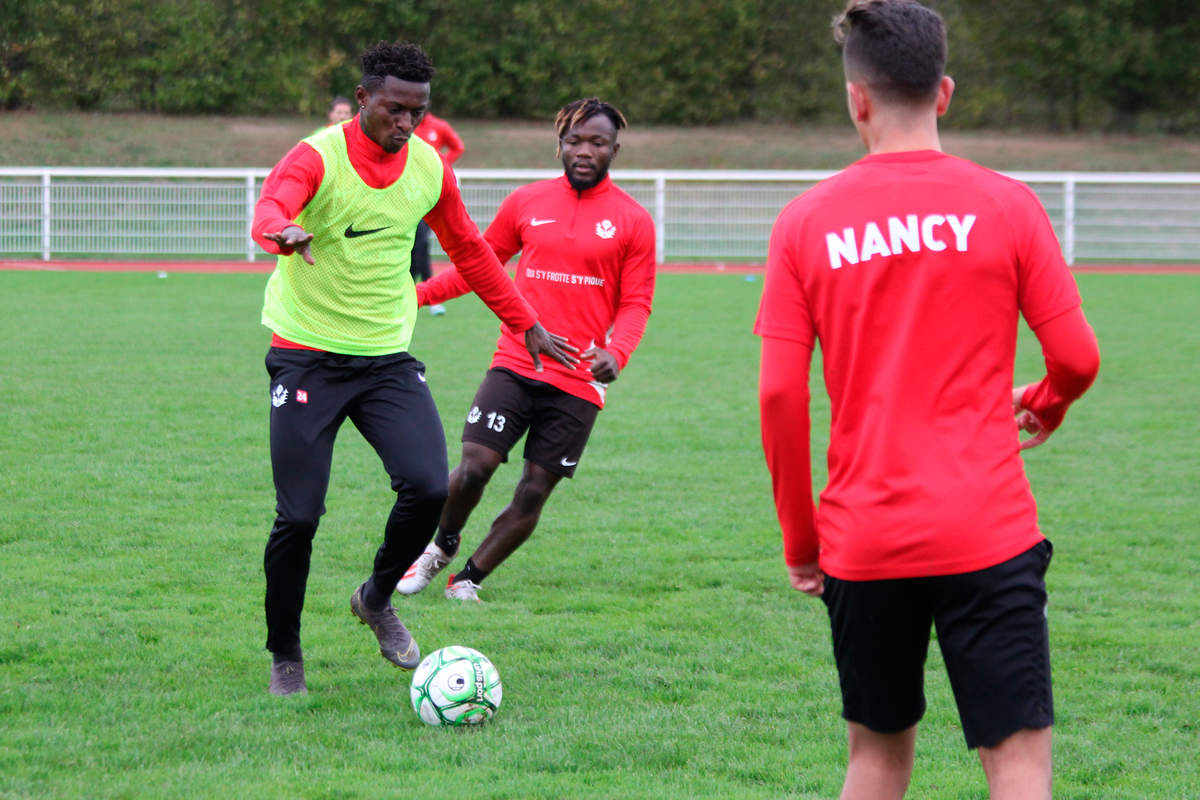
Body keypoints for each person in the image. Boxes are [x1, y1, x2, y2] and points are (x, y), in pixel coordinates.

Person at [755, 2, 1100, 798]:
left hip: (863, 538)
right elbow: (1077, 358)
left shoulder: (805, 220)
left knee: (876, 763)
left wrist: (801, 541)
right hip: (989, 529)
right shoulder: (1008, 204)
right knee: (1017, 767)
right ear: (943, 93)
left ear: (857, 99)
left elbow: (779, 393)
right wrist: (1046, 401)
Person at [251, 40, 577, 696]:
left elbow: (475, 254)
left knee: (430, 486)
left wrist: (526, 324)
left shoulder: (429, 167)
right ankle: (285, 649)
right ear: (363, 100)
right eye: (394, 110)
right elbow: (272, 204)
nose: (406, 124)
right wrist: (279, 231)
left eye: (418, 113)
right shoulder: (318, 155)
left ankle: (376, 597)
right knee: (301, 516)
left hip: (385, 360)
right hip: (306, 356)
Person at [396, 97, 656, 602]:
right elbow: (479, 266)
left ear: (614, 150)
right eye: (575, 141)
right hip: (516, 363)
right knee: (474, 465)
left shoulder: (633, 221)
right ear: (559, 145)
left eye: (597, 143)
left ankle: (468, 579)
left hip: (579, 379)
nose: (585, 151)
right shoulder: (526, 202)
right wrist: (417, 295)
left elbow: (638, 303)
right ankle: (440, 549)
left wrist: (617, 353)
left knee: (535, 488)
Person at [410, 109, 466, 316]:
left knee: (422, 243)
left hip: (427, 193)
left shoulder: (438, 126)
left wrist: (440, 166)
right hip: (402, 190)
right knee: (411, 245)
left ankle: (429, 297)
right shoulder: (404, 124)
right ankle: (408, 294)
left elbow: (457, 147)